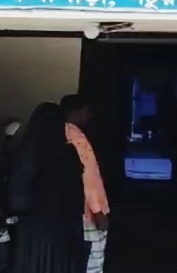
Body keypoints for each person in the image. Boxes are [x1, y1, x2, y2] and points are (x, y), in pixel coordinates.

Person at [9, 102, 86, 273]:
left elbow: (18, 197)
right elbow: (77, 194)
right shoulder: (68, 154)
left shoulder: (25, 152)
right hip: (64, 232)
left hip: (33, 232)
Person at [60, 94, 110, 273]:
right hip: (88, 214)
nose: (89, 116)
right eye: (87, 111)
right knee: (92, 262)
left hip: (70, 211)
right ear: (78, 111)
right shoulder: (76, 137)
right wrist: (98, 212)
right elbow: (88, 178)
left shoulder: (58, 133)